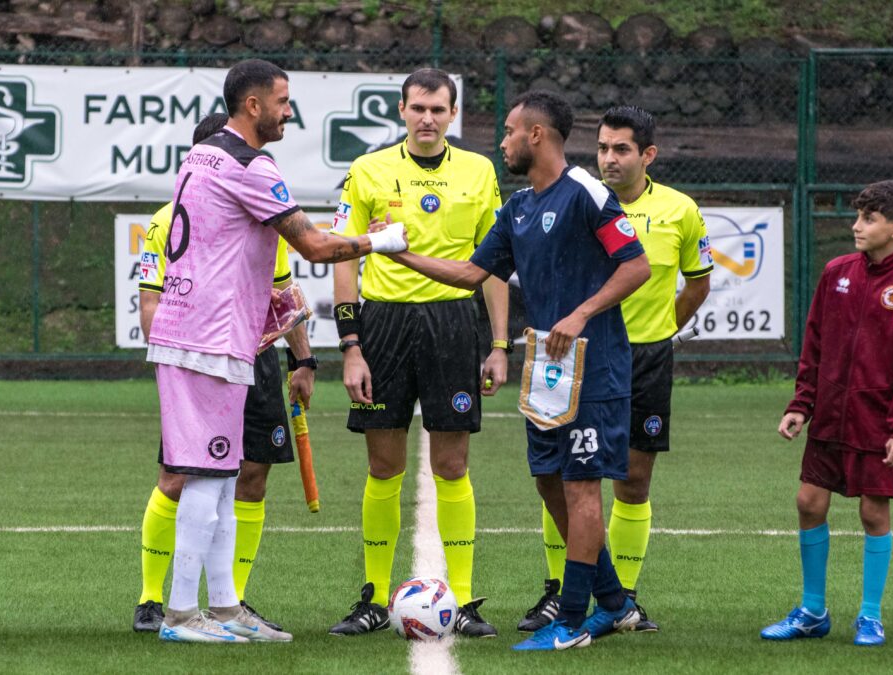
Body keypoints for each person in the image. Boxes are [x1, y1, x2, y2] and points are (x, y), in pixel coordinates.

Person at [147, 59, 406, 644]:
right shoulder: (250, 162)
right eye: (282, 101)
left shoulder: (203, 152)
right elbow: (312, 246)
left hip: (208, 335)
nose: (290, 111)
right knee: (207, 477)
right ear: (253, 105)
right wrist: (383, 240)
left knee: (219, 476)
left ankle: (225, 606)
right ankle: (182, 615)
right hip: (206, 340)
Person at [382, 90, 651, 651]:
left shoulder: (586, 194)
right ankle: (616, 603)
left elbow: (637, 266)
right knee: (550, 482)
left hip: (594, 369)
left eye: (508, 131)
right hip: (546, 373)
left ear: (536, 135)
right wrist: (398, 254)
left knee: (582, 490)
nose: (500, 140)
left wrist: (580, 314)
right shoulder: (520, 206)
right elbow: (470, 272)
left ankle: (573, 618)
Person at [328, 68, 508, 638]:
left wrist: (499, 344)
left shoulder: (480, 171)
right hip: (382, 324)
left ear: (452, 114)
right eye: (417, 108)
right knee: (385, 466)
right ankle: (374, 598)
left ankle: (462, 599)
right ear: (401, 111)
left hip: (454, 323)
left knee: (452, 465)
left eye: (437, 109)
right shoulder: (368, 170)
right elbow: (343, 258)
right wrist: (351, 346)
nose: (427, 118)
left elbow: (494, 264)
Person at [521, 106, 712, 633]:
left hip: (644, 358)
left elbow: (697, 283)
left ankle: (623, 597)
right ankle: (560, 589)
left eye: (621, 149)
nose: (609, 158)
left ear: (647, 155)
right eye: (603, 147)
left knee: (631, 481)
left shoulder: (680, 210)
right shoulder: (580, 200)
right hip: (581, 357)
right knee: (564, 477)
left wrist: (660, 327)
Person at [132, 113, 316, 636]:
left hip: (245, 352)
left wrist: (303, 359)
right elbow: (151, 301)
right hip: (201, 350)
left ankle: (229, 605)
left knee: (239, 476)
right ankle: (163, 603)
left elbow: (282, 294)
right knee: (186, 475)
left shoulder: (259, 213)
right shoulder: (169, 217)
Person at [762, 180, 893, 647]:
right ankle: (811, 610)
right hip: (829, 414)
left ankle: (869, 616)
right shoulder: (836, 272)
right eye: (858, 216)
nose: (856, 225)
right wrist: (802, 403)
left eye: (869, 218)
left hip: (877, 419)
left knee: (872, 513)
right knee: (808, 502)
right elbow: (815, 342)